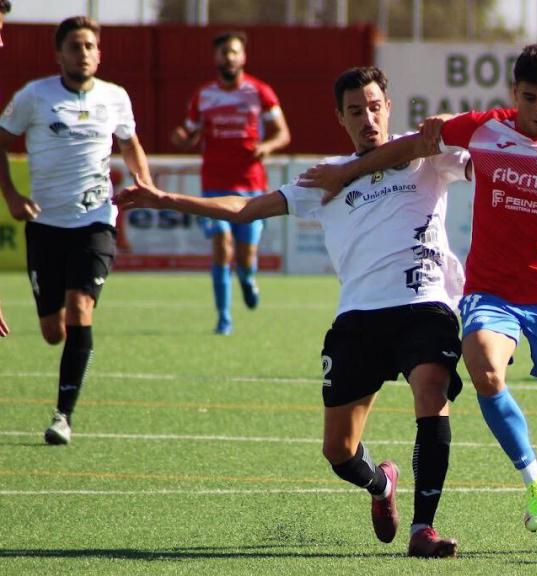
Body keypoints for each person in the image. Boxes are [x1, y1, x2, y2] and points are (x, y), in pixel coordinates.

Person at [299, 44, 537, 550]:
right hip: (491, 292)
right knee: (483, 366)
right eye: (529, 98)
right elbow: (415, 145)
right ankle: (535, 480)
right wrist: (346, 172)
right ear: (514, 94)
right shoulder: (484, 128)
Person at [116, 66, 468, 559]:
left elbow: (464, 135)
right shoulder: (324, 176)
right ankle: (380, 485)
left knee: (431, 390)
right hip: (359, 318)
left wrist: (445, 122)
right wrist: (163, 197)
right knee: (339, 452)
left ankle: (422, 528)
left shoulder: (423, 155)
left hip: (423, 304)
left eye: (373, 106)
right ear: (339, 119)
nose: (366, 117)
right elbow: (244, 209)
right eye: (354, 111)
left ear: (388, 106)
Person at [0, 16, 153, 444]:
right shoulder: (33, 96)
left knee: (81, 306)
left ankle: (62, 416)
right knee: (53, 331)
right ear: (59, 54)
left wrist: (147, 186)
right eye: (74, 46)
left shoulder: (115, 98)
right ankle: (62, 349)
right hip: (45, 224)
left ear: (98, 52)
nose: (82, 53)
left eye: (89, 46)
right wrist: (11, 195)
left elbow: (130, 144)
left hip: (96, 220)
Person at [171, 30, 291, 335]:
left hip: (251, 187)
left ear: (243, 56)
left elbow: (283, 133)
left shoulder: (260, 92)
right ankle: (224, 318)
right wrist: (181, 138)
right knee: (221, 247)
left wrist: (267, 146)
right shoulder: (203, 95)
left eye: (234, 51)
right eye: (224, 52)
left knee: (245, 256)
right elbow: (189, 133)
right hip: (214, 186)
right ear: (216, 58)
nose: (229, 57)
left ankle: (248, 277)